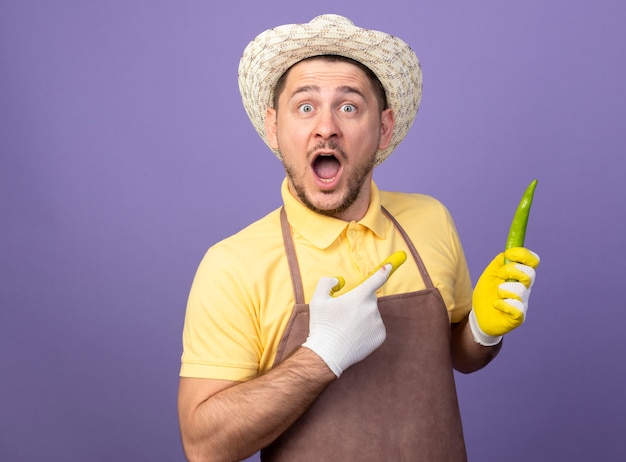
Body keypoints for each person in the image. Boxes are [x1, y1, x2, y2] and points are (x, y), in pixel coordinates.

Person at [177, 14, 540, 462]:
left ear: (384, 127)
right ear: (274, 127)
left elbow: (458, 357)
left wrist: (483, 333)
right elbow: (204, 446)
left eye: (348, 107)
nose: (326, 127)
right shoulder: (233, 265)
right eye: (305, 107)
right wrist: (320, 357)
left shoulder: (431, 220)